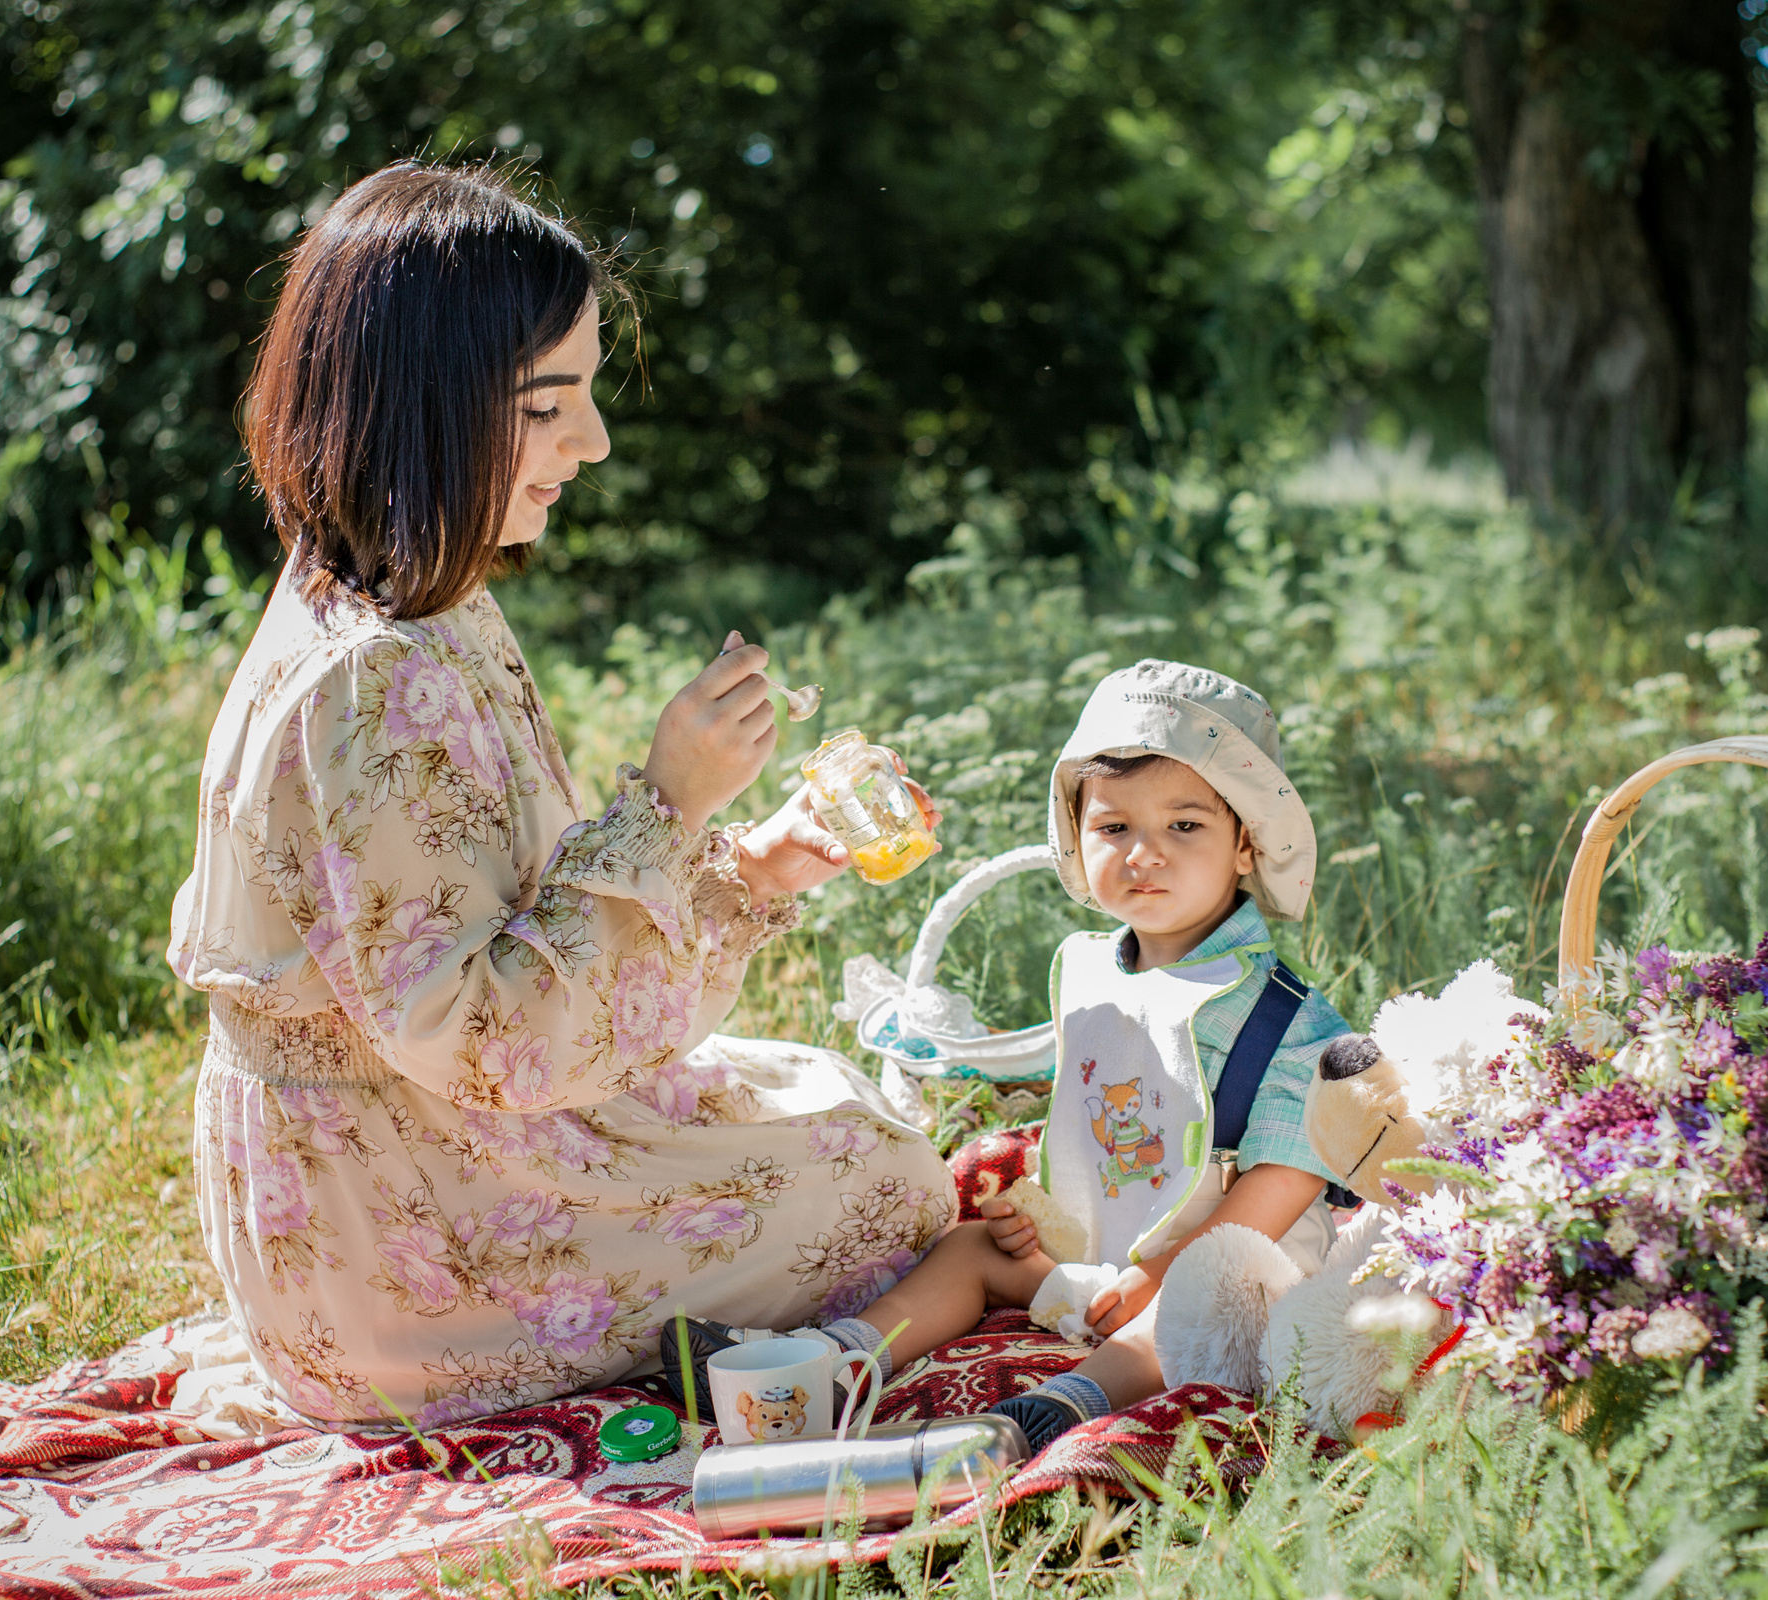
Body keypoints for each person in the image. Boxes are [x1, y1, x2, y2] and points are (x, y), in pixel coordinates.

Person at [167, 162, 957, 1429]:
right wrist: (667, 800)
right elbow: (492, 1039)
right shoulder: (372, 678)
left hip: (415, 1146)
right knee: (888, 1187)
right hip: (387, 1242)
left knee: (836, 1097)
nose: (591, 442)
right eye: (549, 403)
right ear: (421, 409)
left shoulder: (418, 605)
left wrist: (747, 868)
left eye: (585, 392)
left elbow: (502, 936)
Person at [662, 660, 1354, 1452]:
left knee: (1194, 1307)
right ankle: (835, 1358)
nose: (1143, 853)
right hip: (1103, 1265)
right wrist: (1043, 1221)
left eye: (1185, 825)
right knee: (971, 1248)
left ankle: (1064, 1404)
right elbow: (1102, 1129)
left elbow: (1278, 1188)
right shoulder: (1094, 971)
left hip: (1225, 1284)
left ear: (1245, 845)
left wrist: (1165, 1274)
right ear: (1077, 833)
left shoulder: (1291, 1022)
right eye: (1114, 826)